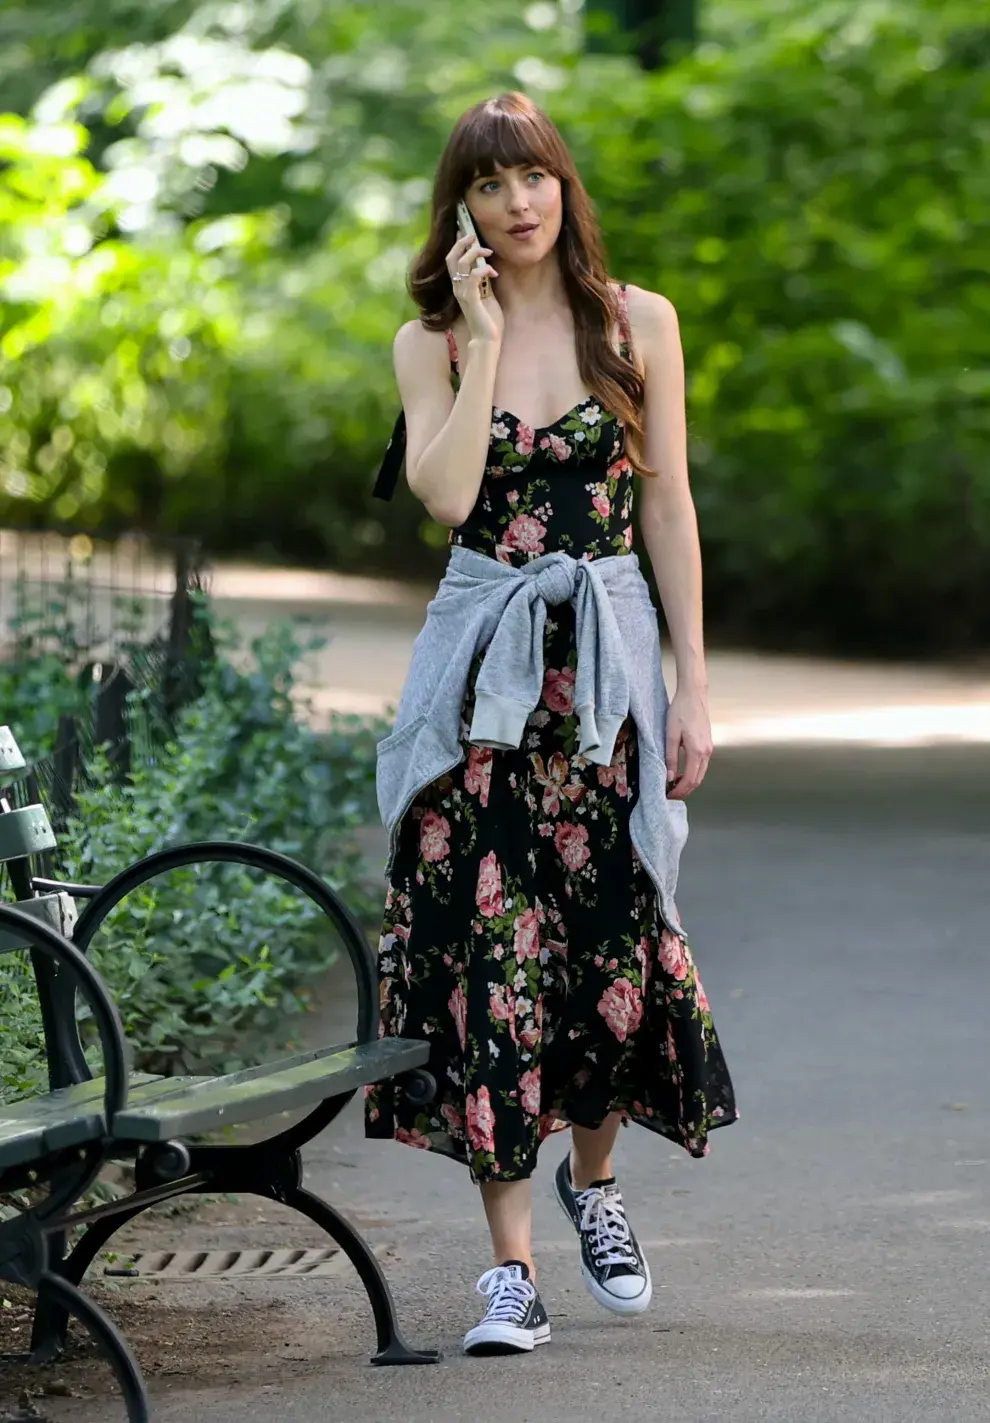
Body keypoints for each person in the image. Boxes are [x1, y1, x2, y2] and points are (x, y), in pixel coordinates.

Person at [365, 90, 737, 1357]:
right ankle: (510, 1269)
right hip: (479, 696)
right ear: (459, 210)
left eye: (535, 178)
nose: (518, 203)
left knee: (612, 947)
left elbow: (669, 509)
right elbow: (451, 497)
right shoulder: (431, 342)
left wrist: (693, 682)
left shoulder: (640, 324)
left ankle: (597, 1183)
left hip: (609, 687)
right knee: (491, 964)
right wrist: (471, 329)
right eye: (489, 186)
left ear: (565, 188)